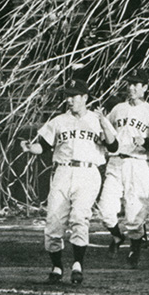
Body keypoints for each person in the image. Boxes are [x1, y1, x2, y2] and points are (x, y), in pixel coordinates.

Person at [21, 80, 118, 284]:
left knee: (79, 217)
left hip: (88, 172)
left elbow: (114, 146)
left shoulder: (97, 118)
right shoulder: (59, 121)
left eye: (74, 95)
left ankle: (77, 264)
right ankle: (57, 266)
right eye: (68, 95)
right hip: (63, 171)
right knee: (53, 222)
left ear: (85, 97)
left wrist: (103, 124)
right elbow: (43, 147)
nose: (70, 99)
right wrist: (31, 148)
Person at [97, 69, 149, 268]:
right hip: (116, 162)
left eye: (137, 84)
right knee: (106, 210)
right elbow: (108, 134)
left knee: (134, 213)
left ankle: (135, 247)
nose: (132, 87)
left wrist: (147, 141)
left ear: (145, 88)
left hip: (138, 162)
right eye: (130, 83)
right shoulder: (117, 109)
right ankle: (117, 237)